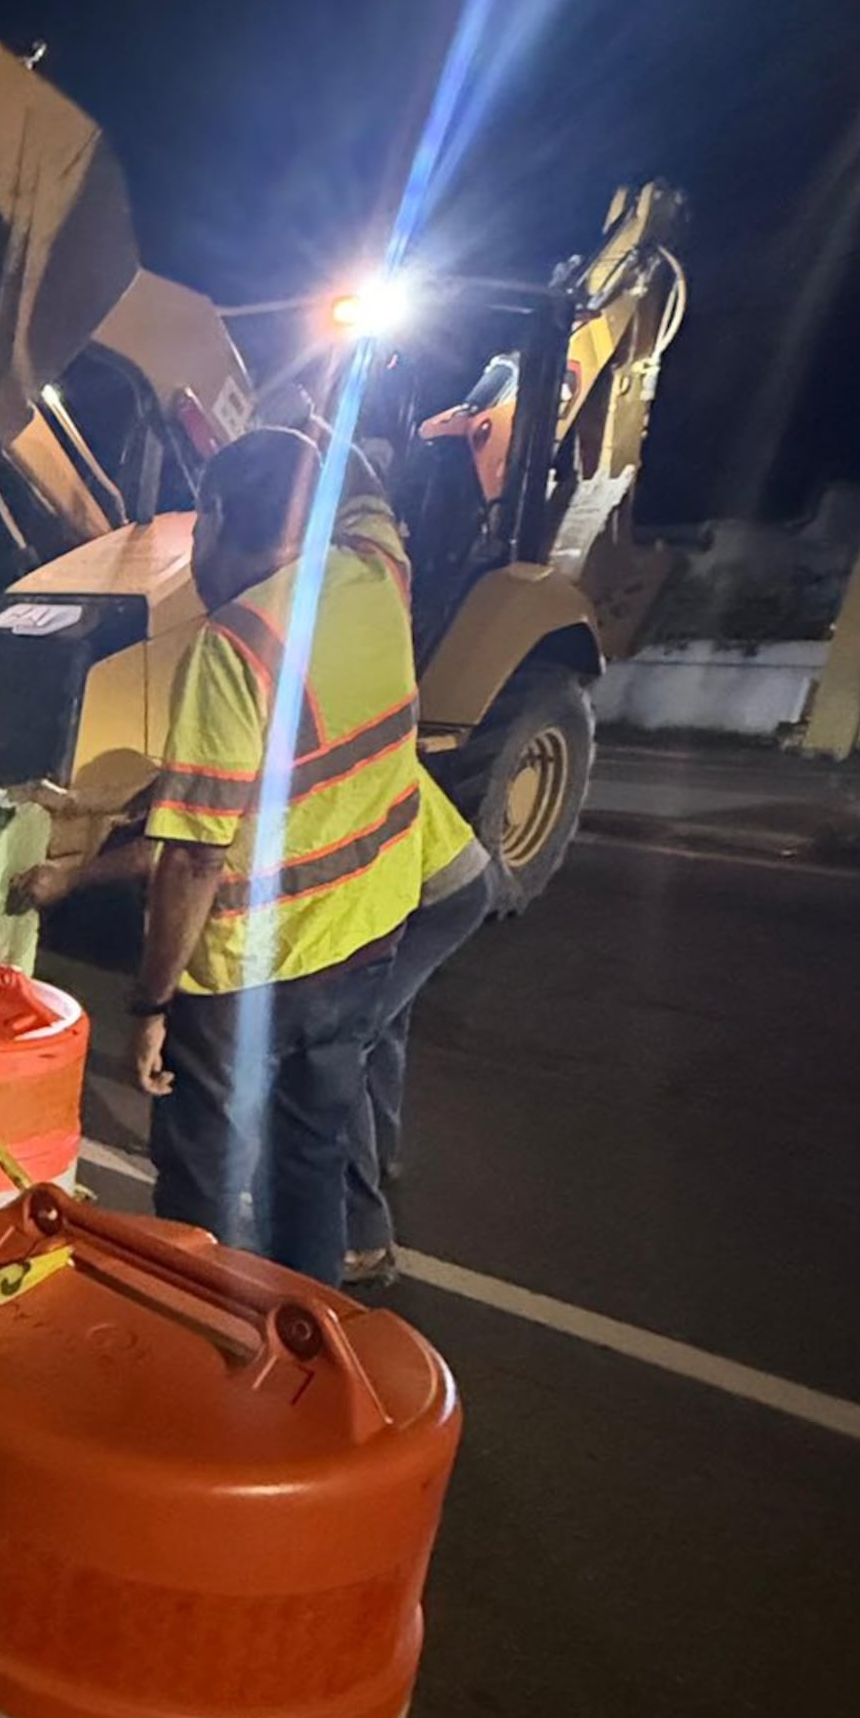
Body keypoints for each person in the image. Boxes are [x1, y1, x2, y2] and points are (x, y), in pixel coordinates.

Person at [129, 425, 424, 1287]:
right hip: (368, 934)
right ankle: (310, 1345)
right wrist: (316, 421)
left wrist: (149, 1004)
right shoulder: (376, 576)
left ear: (213, 515)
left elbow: (191, 859)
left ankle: (212, 1340)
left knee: (207, 1177)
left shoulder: (235, 643)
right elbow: (367, 494)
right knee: (314, 1152)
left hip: (246, 975)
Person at [342, 765, 500, 1285]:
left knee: (343, 1048)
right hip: (449, 876)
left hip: (437, 894)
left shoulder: (305, 751)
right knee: (384, 1027)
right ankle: (383, 1153)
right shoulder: (359, 717)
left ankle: (362, 1237)